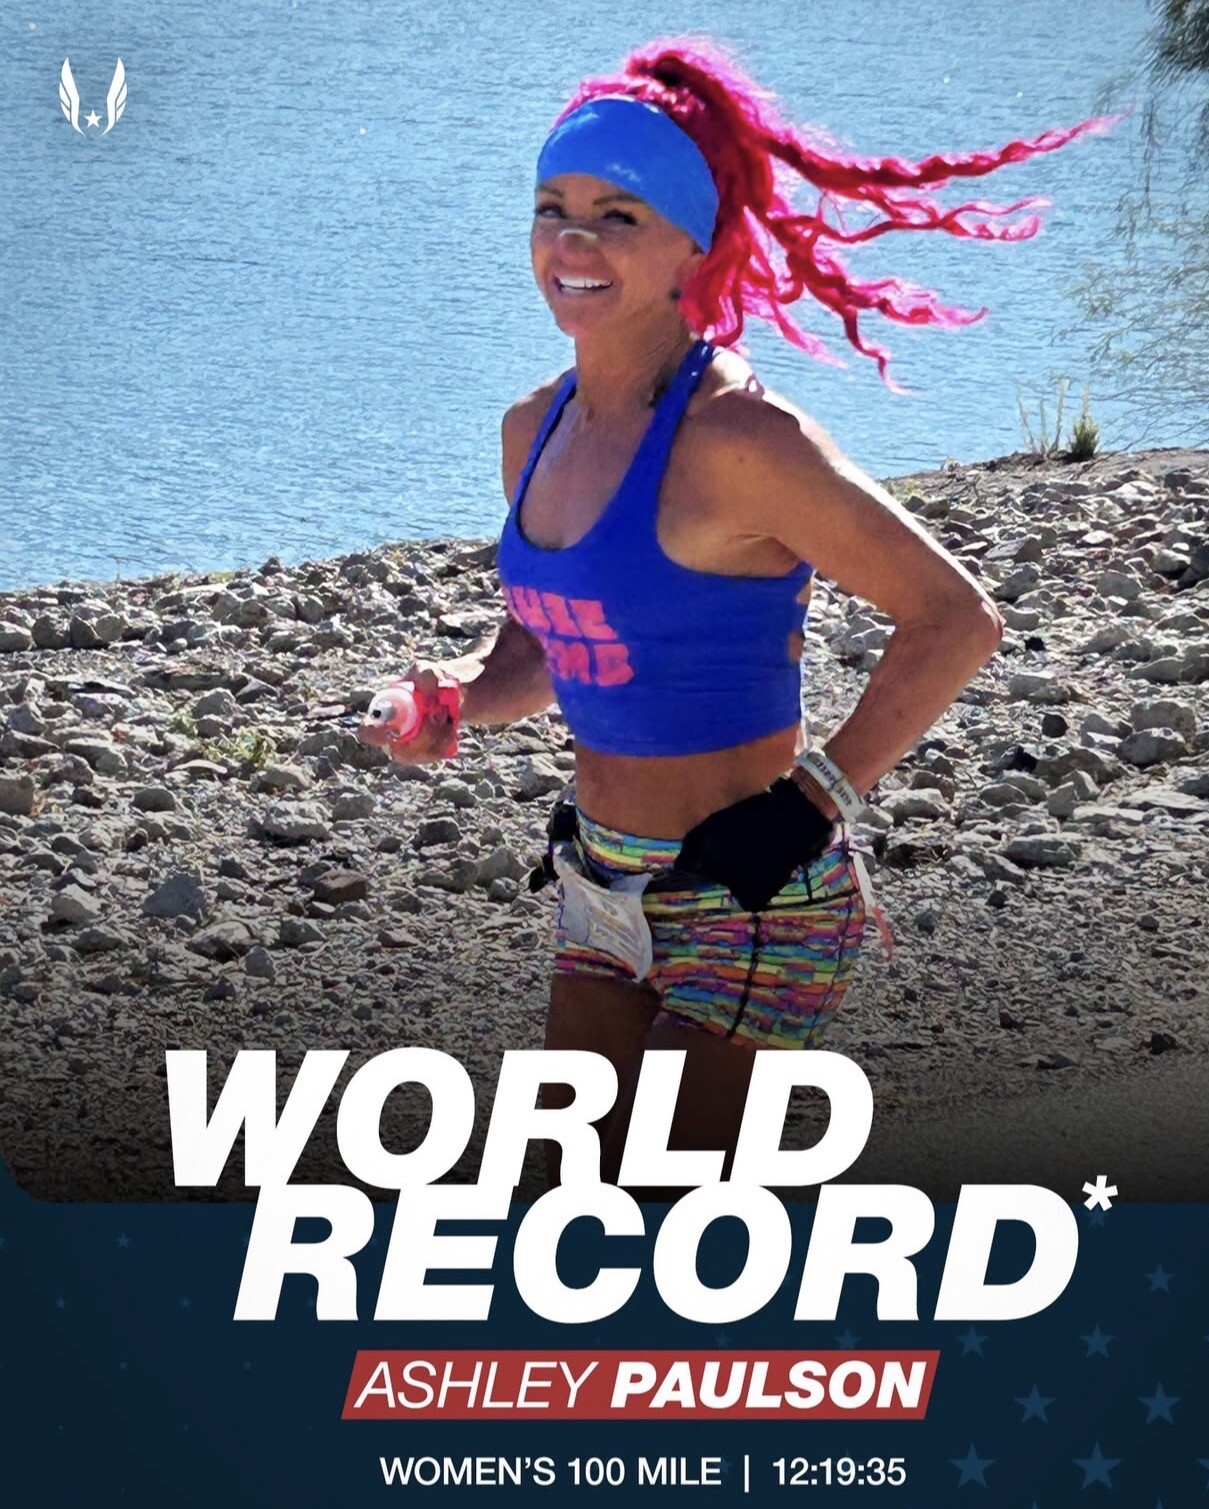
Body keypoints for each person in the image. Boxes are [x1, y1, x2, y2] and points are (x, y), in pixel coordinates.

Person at [364, 37, 1120, 1197]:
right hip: (601, 884)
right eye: (553, 209)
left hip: (754, 891)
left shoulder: (741, 440)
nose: (571, 242)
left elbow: (955, 618)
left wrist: (817, 801)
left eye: (618, 216)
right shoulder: (533, 430)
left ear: (693, 245)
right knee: (562, 1205)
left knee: (660, 1212)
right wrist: (456, 697)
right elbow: (550, 642)